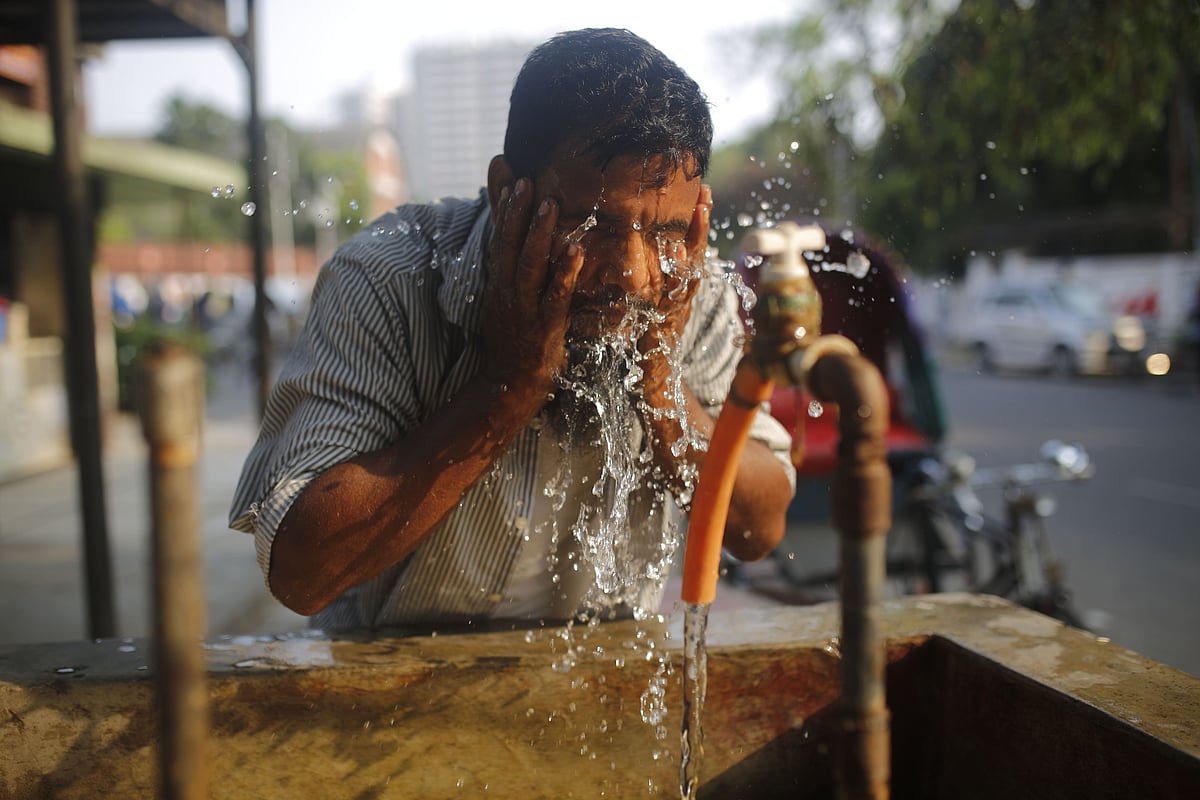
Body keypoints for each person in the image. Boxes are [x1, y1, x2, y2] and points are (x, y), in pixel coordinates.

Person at [229, 28, 795, 631]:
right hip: (392, 692)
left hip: (604, 685)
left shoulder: (691, 288)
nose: (632, 275)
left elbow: (758, 530)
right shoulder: (387, 276)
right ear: (507, 192)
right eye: (593, 226)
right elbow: (301, 572)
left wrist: (660, 386)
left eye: (664, 232)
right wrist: (509, 386)